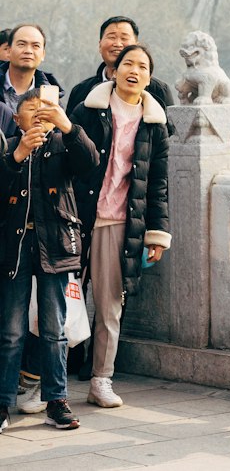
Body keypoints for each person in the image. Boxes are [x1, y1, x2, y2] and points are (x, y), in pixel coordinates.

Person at [71, 43, 170, 409]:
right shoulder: (89, 110)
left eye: (143, 66)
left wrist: (156, 234)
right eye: (128, 63)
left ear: (148, 77)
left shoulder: (155, 125)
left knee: (110, 304)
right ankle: (36, 381)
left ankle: (101, 379)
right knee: (52, 299)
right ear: (113, 70)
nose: (134, 70)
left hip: (119, 223)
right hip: (77, 216)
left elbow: (157, 185)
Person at [0, 89, 100, 433]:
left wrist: (68, 127)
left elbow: (90, 163)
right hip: (14, 245)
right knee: (11, 330)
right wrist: (17, 155)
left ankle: (56, 400)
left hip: (55, 244)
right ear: (17, 118)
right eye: (32, 109)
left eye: (46, 109)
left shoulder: (62, 143)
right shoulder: (9, 145)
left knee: (54, 328)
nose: (40, 114)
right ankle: (3, 402)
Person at [67, 15, 175, 133]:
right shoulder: (81, 91)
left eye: (124, 38)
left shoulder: (159, 91)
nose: (117, 44)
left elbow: (171, 137)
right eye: (111, 37)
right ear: (100, 45)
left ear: (136, 46)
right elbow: (69, 134)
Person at [1, 23, 62, 144]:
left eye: (35, 46)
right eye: (21, 44)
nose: (28, 51)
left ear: (43, 54)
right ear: (8, 50)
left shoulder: (51, 98)